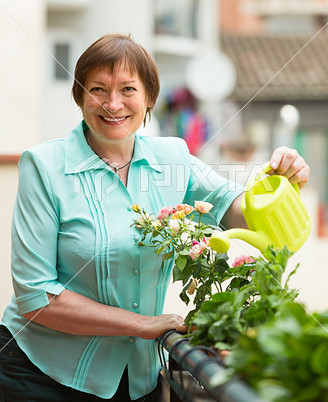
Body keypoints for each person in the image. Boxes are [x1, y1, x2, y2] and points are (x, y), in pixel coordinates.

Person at [0, 34, 310, 401]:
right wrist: (143, 325)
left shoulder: (173, 158)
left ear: (149, 98)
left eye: (128, 89)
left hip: (135, 379)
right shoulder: (45, 166)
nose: (113, 103)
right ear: (80, 97)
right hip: (41, 372)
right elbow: (37, 296)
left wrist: (280, 182)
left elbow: (238, 211)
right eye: (98, 88)